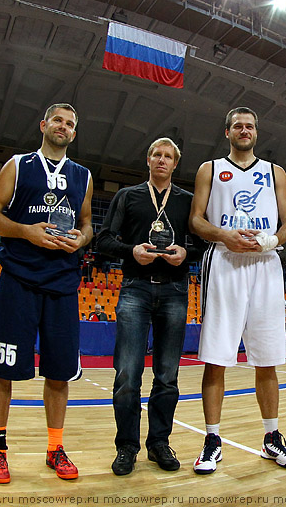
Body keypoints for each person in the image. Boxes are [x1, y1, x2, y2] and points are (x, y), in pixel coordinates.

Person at [0, 103, 93, 484]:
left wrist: (81, 240)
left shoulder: (84, 175)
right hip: (20, 279)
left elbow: (88, 222)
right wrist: (26, 231)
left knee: (60, 373)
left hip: (63, 282)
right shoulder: (18, 164)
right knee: (4, 368)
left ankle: (55, 448)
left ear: (74, 134)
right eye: (58, 120)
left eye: (70, 124)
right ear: (44, 125)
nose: (63, 126)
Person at [188, 106, 286, 474]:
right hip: (225, 261)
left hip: (265, 265)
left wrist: (270, 242)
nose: (244, 130)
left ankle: (272, 438)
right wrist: (225, 236)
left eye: (250, 126)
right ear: (227, 133)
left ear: (257, 132)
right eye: (238, 126)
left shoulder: (275, 172)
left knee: (267, 358)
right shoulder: (210, 169)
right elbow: (196, 220)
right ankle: (212, 440)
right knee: (216, 356)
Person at [96, 137, 204, 476]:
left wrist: (188, 253)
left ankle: (159, 443)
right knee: (128, 374)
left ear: (175, 164)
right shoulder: (127, 196)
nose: (161, 160)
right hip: (135, 289)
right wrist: (132, 251)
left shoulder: (187, 201)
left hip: (174, 290)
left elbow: (204, 245)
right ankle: (127, 446)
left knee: (168, 376)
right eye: (156, 154)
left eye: (168, 156)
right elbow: (103, 240)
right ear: (148, 160)